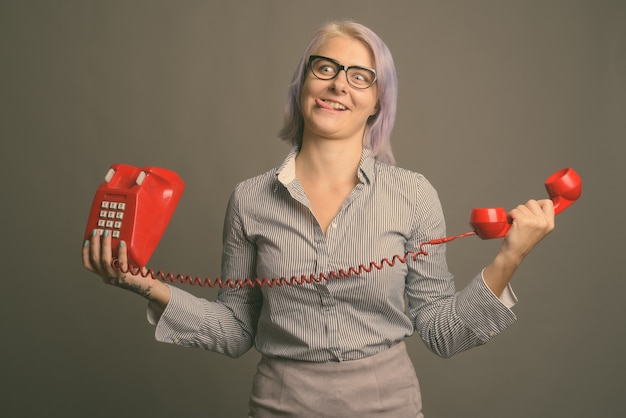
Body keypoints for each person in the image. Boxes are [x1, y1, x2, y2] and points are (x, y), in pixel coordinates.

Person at [82, 19, 555, 418]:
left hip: (387, 406)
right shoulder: (250, 200)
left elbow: (441, 331)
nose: (337, 85)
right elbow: (234, 330)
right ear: (303, 84)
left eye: (359, 77)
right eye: (325, 68)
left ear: (377, 103)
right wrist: (143, 283)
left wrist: (508, 258)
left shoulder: (413, 194)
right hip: (279, 405)